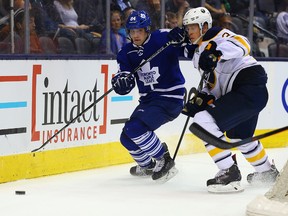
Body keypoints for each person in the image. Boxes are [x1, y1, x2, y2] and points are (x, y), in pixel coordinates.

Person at [172, 7, 279, 193]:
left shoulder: (217, 35)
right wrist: (201, 100)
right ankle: (267, 172)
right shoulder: (198, 56)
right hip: (244, 93)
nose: (189, 32)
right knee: (240, 137)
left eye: (192, 27)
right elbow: (214, 86)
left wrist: (216, 53)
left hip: (249, 85)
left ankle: (229, 172)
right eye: (187, 28)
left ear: (205, 26)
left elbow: (243, 44)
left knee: (203, 121)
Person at [111, 10, 188, 182]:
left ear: (147, 29)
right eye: (132, 31)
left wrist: (182, 38)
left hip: (170, 98)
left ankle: (164, 159)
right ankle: (148, 165)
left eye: (139, 30)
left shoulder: (163, 38)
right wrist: (121, 82)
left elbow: (188, 46)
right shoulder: (126, 52)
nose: (136, 35)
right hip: (149, 100)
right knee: (126, 137)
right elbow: (123, 77)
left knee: (134, 129)